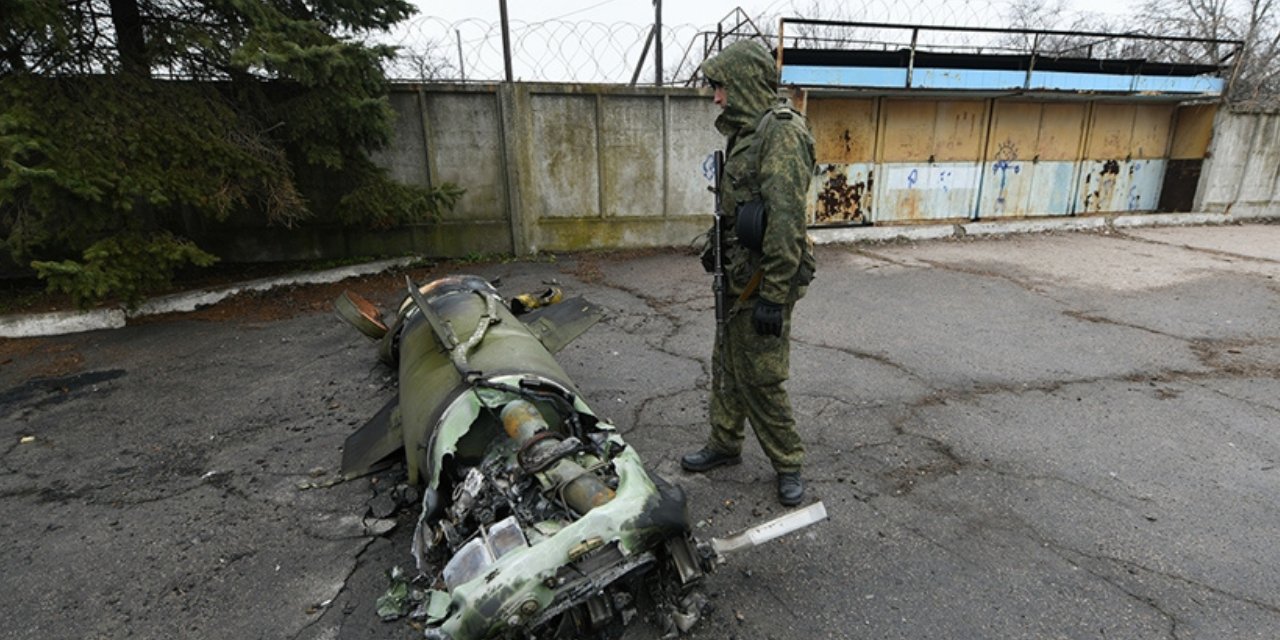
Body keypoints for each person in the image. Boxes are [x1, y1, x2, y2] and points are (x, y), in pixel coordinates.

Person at [681, 39, 817, 507]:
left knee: (760, 373)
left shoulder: (779, 133)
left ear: (741, 83)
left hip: (765, 278)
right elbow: (738, 207)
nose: (716, 97)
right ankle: (725, 442)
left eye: (721, 86)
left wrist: (774, 297)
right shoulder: (745, 132)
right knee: (727, 361)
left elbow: (785, 224)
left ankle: (788, 463)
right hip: (739, 273)